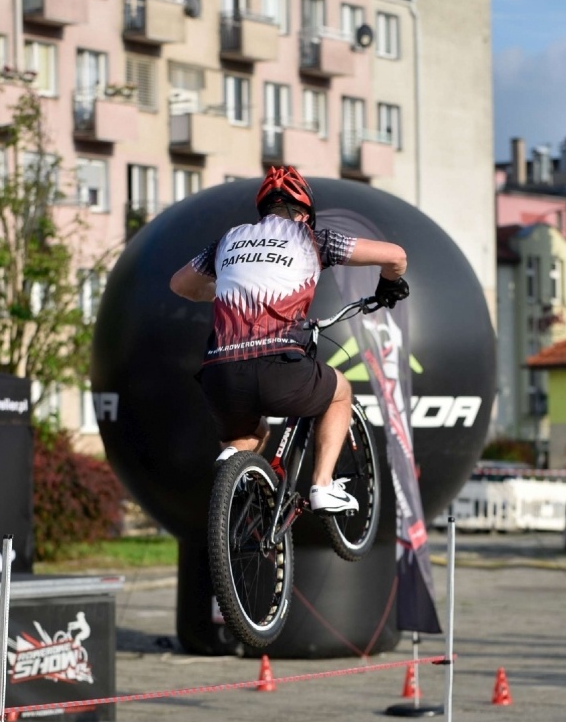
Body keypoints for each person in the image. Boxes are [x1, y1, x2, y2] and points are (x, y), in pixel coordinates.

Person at [170, 166, 408, 513]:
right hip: (278, 365)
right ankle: (323, 486)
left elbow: (179, 284)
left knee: (248, 436)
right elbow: (395, 256)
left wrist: (222, 291)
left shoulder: (227, 240)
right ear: (304, 213)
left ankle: (232, 474)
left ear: (263, 210)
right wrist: (389, 284)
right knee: (339, 393)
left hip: (220, 372)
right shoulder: (311, 238)